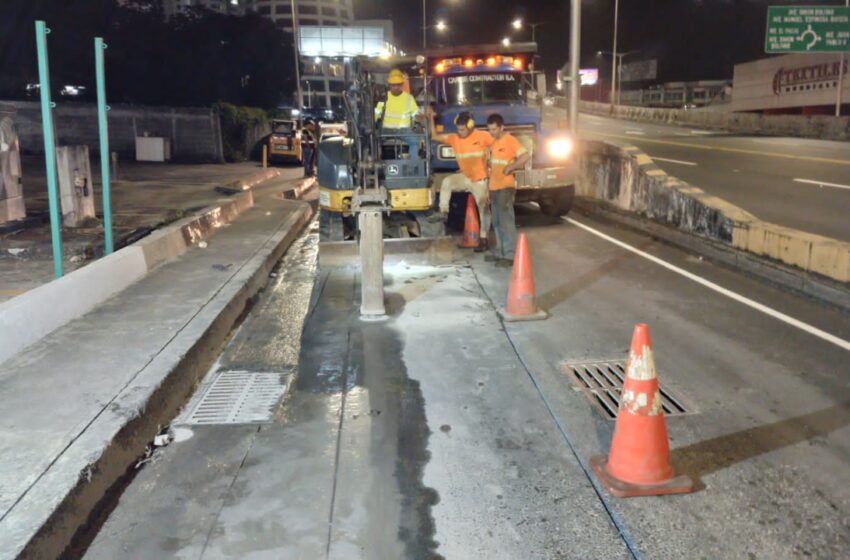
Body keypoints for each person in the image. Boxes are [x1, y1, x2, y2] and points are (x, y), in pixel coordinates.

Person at [427, 110, 494, 252]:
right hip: (465, 177)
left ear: (470, 126)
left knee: (483, 209)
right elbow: (434, 136)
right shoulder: (454, 138)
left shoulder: (483, 136)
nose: (460, 132)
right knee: (447, 182)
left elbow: (499, 145)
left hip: (480, 180)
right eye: (458, 129)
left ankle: (484, 239)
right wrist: (431, 118)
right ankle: (443, 211)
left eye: (462, 129)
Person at [485, 113, 530, 267]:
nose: (491, 132)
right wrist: (488, 189)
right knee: (497, 222)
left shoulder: (509, 140)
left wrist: (511, 167)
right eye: (489, 129)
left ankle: (510, 256)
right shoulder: (493, 142)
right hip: (494, 187)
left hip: (505, 186)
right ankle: (500, 252)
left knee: (506, 221)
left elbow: (525, 155)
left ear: (502, 127)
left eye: (494, 129)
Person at [375, 69, 422, 158]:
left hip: (404, 131)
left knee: (415, 141)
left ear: (402, 84)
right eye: (393, 85)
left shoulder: (408, 98)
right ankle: (379, 162)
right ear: (389, 85)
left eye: (398, 85)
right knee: (373, 141)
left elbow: (416, 114)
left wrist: (422, 118)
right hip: (386, 130)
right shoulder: (384, 97)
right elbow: (376, 114)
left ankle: (412, 166)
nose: (396, 87)